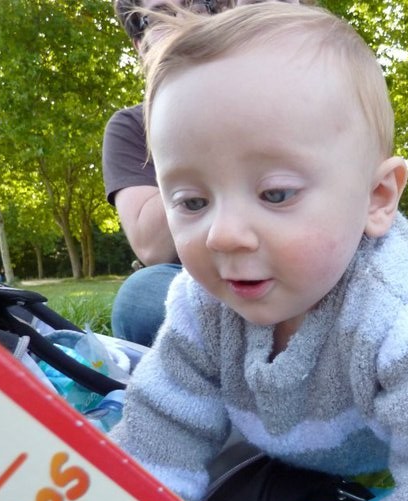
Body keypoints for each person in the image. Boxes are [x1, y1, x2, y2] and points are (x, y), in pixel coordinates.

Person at [111, 4, 408, 501]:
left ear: (377, 197)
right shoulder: (201, 306)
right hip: (341, 424)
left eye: (275, 193)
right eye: (193, 202)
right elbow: (161, 427)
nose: (223, 234)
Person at [104, 0, 315, 347]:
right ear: (140, 45)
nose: (186, 19)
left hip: (300, 265)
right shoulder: (129, 127)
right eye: (160, 14)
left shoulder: (274, 92)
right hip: (201, 285)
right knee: (140, 299)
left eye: (198, 3)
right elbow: (151, 247)